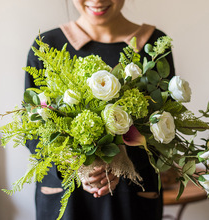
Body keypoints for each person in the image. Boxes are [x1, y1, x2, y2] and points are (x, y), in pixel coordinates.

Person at [25, 0, 175, 219]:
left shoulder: (153, 45)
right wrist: (75, 167)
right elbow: (32, 129)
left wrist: (120, 164)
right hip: (66, 199)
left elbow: (166, 125)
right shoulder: (47, 46)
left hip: (132, 197)